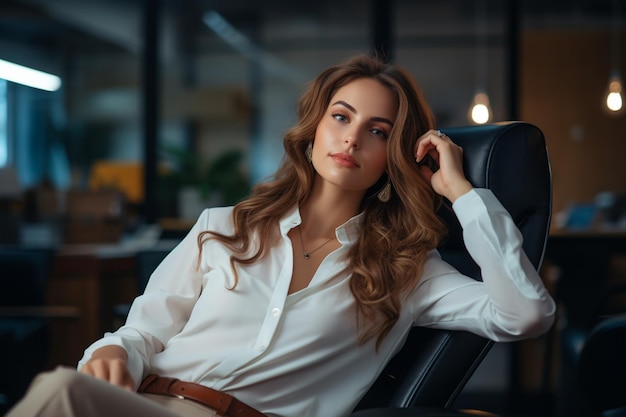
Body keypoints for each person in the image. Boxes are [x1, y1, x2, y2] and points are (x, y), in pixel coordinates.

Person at [6, 54, 556, 417]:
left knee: (57, 395)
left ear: (395, 154)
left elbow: (526, 313)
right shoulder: (222, 227)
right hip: (144, 403)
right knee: (65, 388)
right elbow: (144, 333)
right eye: (341, 117)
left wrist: (461, 192)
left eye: (378, 131)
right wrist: (112, 352)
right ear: (315, 126)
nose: (351, 139)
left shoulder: (406, 271)